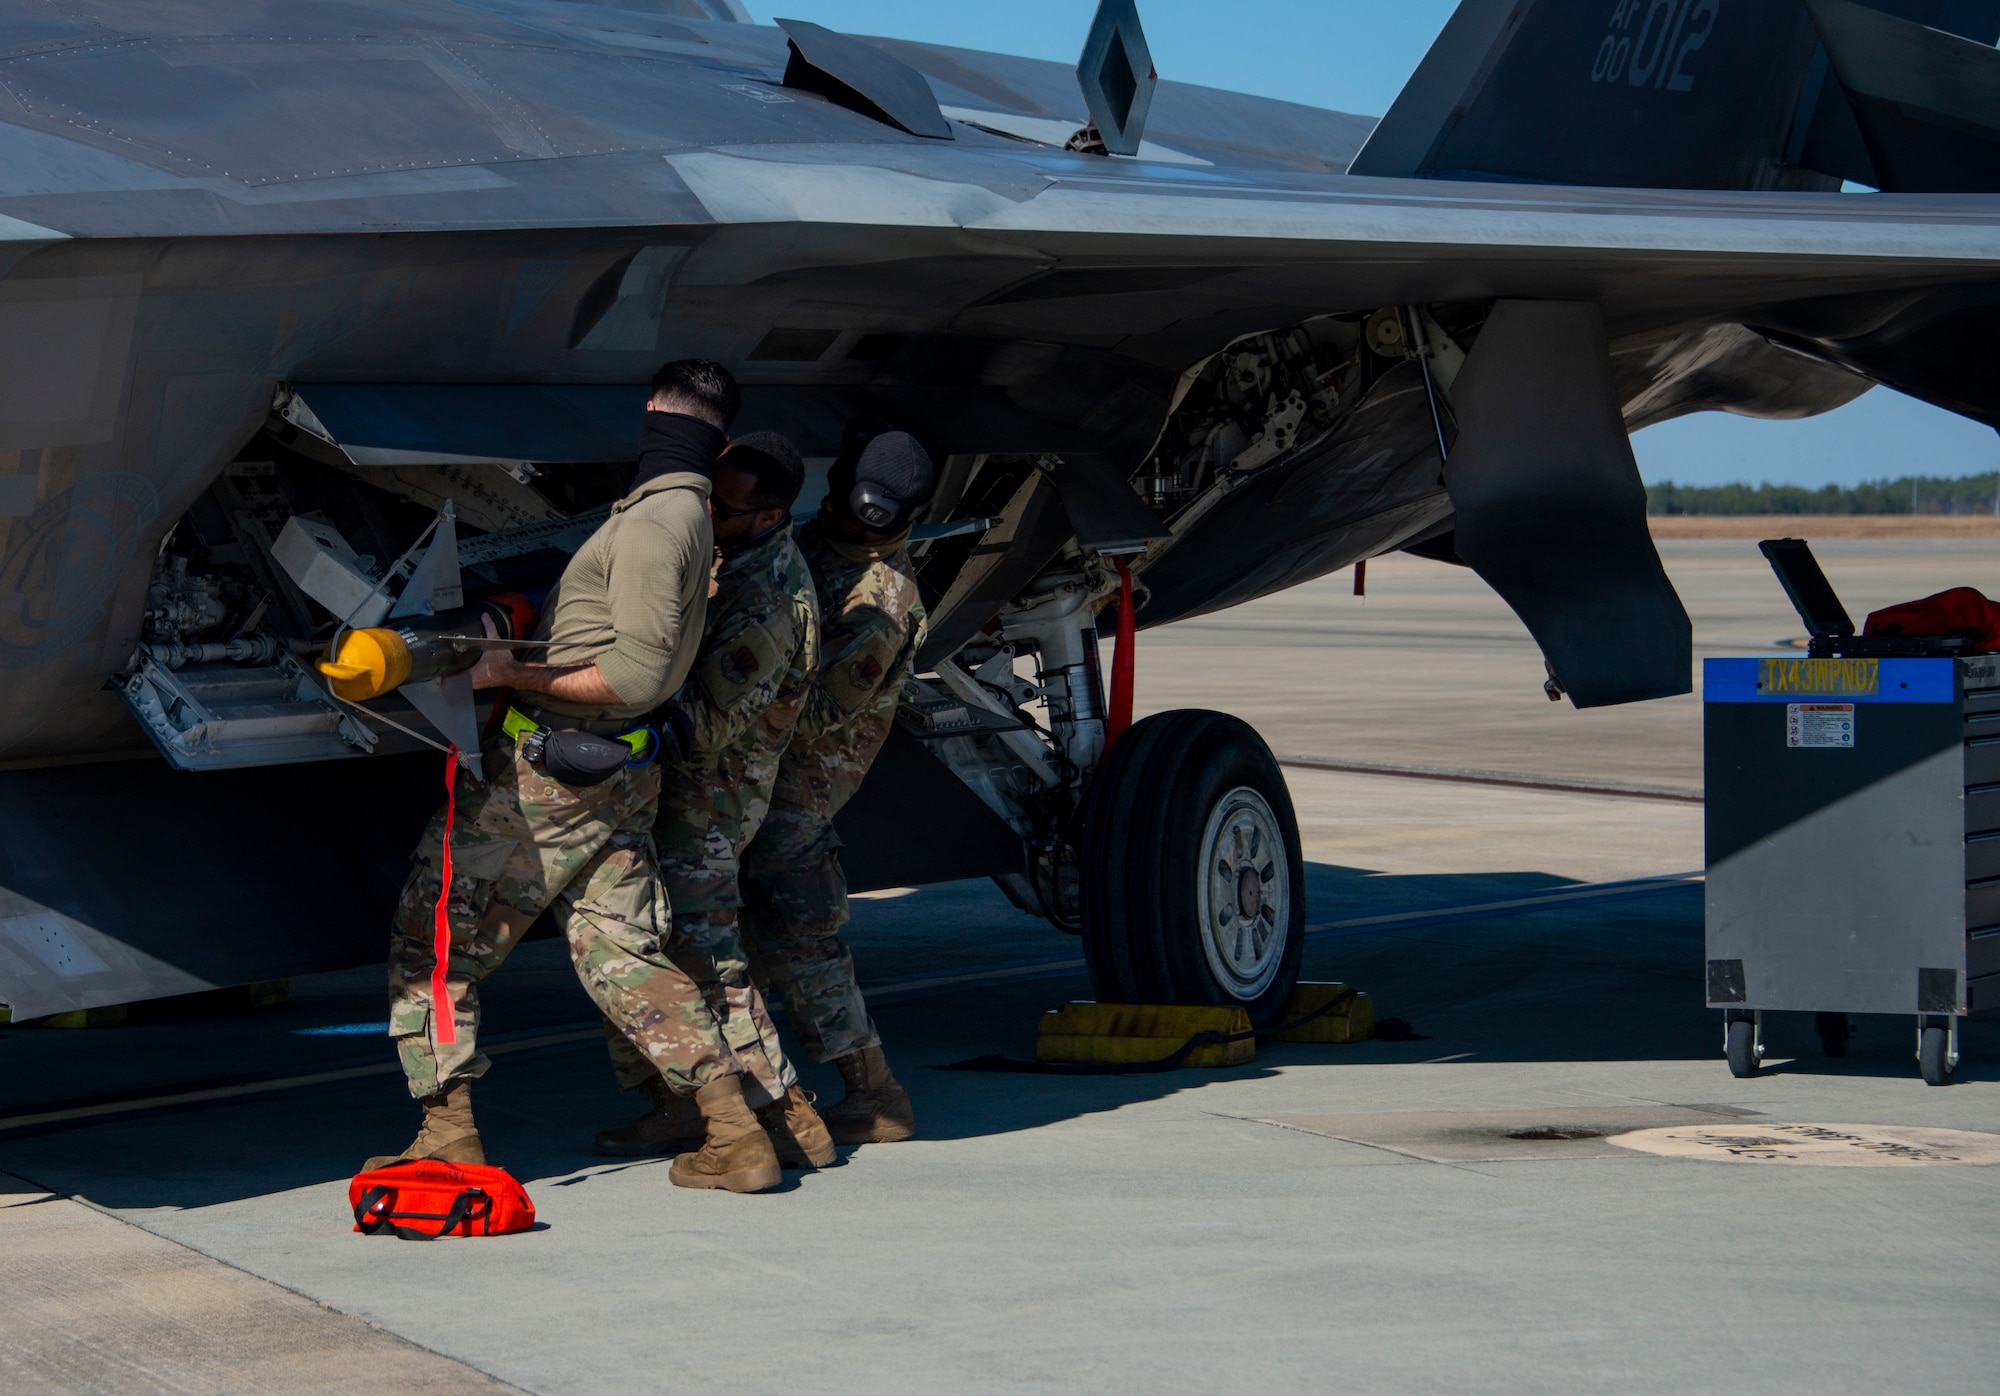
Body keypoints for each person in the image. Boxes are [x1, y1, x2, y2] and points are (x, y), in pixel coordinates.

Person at [371, 360, 788, 1195]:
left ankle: (447, 1133)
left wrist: (506, 675)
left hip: (547, 777)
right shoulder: (690, 516)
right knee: (622, 952)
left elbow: (634, 675)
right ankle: (734, 1131)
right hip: (616, 773)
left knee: (434, 945)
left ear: (654, 413)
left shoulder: (654, 523)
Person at [595, 431, 835, 1169]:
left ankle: (788, 1115)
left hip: (711, 803)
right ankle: (681, 1102)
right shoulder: (738, 563)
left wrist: (611, 705)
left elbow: (702, 724)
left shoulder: (767, 604)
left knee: (707, 955)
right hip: (693, 795)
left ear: (764, 518)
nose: (704, 517)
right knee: (666, 944)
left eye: (721, 511)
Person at [739, 426, 934, 1145]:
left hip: (797, 783)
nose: (842, 521)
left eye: (862, 519)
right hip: (763, 769)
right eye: (843, 507)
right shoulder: (825, 543)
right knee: (752, 936)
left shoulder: (881, 603)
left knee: (801, 939)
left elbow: (819, 715)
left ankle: (875, 1095)